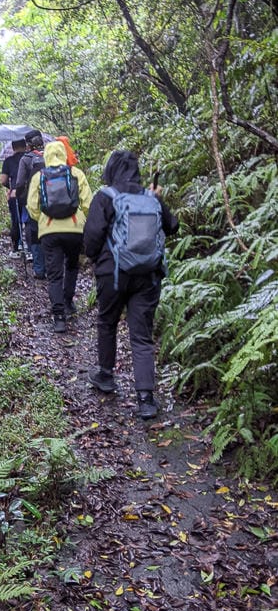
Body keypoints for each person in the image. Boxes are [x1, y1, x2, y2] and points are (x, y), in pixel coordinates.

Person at [83, 150, 179, 420]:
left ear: (111, 169)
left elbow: (91, 237)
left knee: (107, 322)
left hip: (112, 273)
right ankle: (146, 398)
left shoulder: (106, 196)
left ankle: (106, 375)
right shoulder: (151, 198)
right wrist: (158, 199)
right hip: (148, 276)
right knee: (141, 335)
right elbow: (173, 226)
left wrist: (96, 260)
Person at [27, 140, 92, 331]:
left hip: (49, 231)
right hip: (74, 228)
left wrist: (45, 219)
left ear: (46, 155)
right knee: (71, 266)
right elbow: (88, 203)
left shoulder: (39, 177)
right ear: (64, 153)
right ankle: (69, 301)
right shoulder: (76, 173)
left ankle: (59, 317)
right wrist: (82, 220)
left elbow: (32, 207)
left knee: (54, 274)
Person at [14, 129, 47, 278]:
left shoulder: (26, 159)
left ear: (28, 144)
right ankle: (54, 267)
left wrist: (20, 194)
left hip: (33, 201)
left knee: (34, 233)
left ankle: (39, 269)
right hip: (54, 200)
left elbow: (20, 182)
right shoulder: (51, 155)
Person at [0, 138, 27, 257]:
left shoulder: (8, 161)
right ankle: (30, 249)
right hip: (29, 194)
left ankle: (16, 249)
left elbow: (2, 180)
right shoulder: (30, 158)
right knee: (29, 221)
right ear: (25, 146)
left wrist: (10, 186)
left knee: (16, 221)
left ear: (13, 147)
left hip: (14, 194)